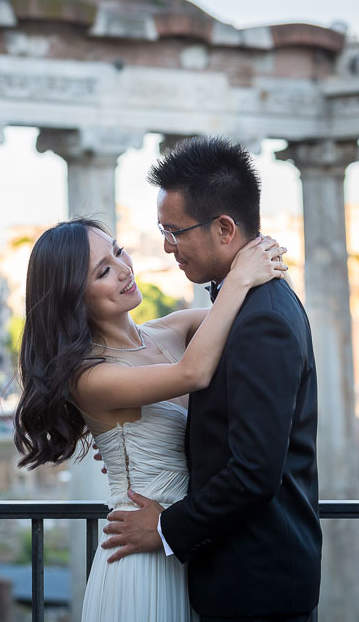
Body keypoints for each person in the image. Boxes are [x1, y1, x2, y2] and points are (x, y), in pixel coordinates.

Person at [13, 215, 286, 620]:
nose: (125, 270)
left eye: (119, 252)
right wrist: (240, 278)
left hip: (190, 544)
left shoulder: (171, 331)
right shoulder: (88, 376)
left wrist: (256, 260)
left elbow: (254, 318)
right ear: (74, 296)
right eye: (104, 271)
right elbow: (192, 373)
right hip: (141, 555)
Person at [101, 136, 322, 622]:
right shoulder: (242, 306)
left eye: (174, 231)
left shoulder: (261, 316)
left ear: (224, 229)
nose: (165, 246)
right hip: (231, 574)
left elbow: (255, 471)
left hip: (255, 584)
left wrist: (164, 529)